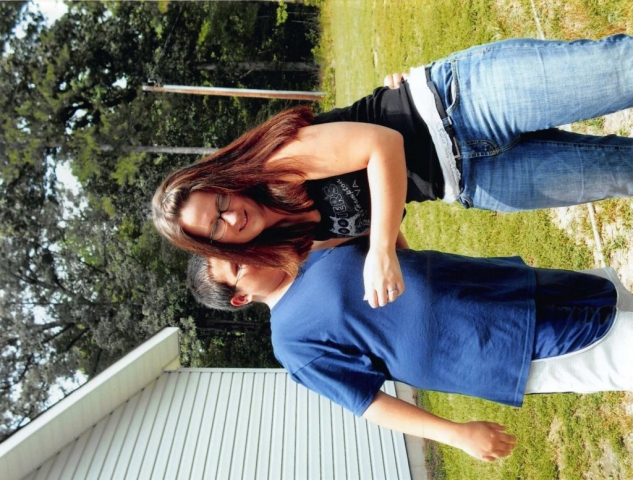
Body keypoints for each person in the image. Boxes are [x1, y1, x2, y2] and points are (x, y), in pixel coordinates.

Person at [154, 35, 633, 308]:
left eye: (220, 202)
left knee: (623, 72)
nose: (231, 217)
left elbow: (382, 146)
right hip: (474, 181)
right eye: (216, 226)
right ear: (214, 245)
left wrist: (382, 250)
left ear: (223, 182)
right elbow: (373, 227)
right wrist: (394, 261)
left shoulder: (276, 166)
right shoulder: (296, 244)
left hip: (461, 105)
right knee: (623, 172)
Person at [187, 241, 633, 462]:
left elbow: (387, 245)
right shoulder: (291, 344)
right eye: (237, 266)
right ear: (240, 298)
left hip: (497, 285)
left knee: (614, 298)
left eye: (236, 251)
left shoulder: (309, 250)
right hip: (496, 347)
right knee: (620, 346)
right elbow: (368, 402)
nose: (249, 256)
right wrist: (455, 434)